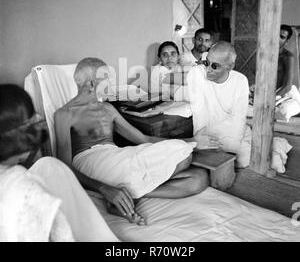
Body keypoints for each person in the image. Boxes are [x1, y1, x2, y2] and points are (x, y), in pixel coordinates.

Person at [54, 57, 210, 225]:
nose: (111, 82)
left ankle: (128, 193)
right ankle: (123, 193)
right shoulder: (64, 114)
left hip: (117, 156)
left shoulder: (107, 109)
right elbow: (65, 167)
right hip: (90, 161)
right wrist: (103, 188)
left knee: (199, 179)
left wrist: (192, 140)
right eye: (106, 78)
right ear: (92, 84)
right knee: (184, 157)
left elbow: (143, 139)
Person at [0, 84, 119, 242]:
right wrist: (102, 187)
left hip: (111, 156)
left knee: (49, 164)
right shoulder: (23, 189)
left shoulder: (108, 108)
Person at [187, 42, 252, 168]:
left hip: (231, 132)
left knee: (242, 161)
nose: (208, 69)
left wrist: (230, 150)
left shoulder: (240, 81)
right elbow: (199, 113)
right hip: (207, 132)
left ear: (230, 66)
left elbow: (238, 118)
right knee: (205, 160)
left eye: (215, 66)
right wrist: (202, 142)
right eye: (206, 63)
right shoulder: (197, 74)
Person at [277, 24, 295, 97]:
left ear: (286, 41)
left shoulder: (288, 57)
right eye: (277, 35)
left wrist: (270, 100)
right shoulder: (264, 54)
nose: (277, 38)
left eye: (282, 37)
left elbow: (287, 87)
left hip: (281, 95)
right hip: (264, 94)